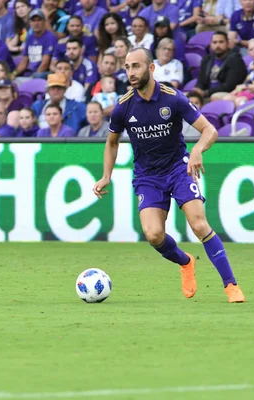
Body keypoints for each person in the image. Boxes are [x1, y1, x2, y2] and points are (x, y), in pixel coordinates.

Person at [93, 47, 245, 303]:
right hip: (147, 176)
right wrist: (106, 176)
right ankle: (185, 262)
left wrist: (197, 150)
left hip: (178, 168)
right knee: (153, 235)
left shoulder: (172, 98)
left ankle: (231, 285)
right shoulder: (122, 106)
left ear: (151, 68)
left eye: (136, 66)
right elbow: (112, 142)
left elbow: (210, 131)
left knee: (198, 224)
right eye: (128, 67)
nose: (131, 72)